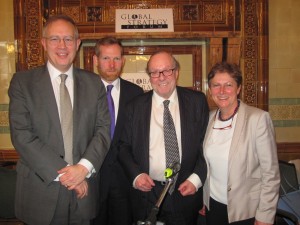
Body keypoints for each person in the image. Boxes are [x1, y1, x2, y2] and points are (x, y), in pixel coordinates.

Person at [8, 15, 110, 225]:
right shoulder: (23, 83)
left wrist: (82, 169)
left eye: (68, 39)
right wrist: (68, 176)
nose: (62, 46)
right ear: (44, 43)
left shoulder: (94, 84)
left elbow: (103, 130)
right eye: (55, 39)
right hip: (40, 190)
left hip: (85, 191)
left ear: (78, 43)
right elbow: (22, 135)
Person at [118, 51, 209, 225]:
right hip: (147, 193)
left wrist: (196, 179)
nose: (161, 77)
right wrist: (136, 175)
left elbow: (206, 145)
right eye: (154, 72)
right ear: (150, 76)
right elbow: (123, 146)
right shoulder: (134, 107)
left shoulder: (197, 102)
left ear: (176, 72)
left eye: (167, 70)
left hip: (185, 190)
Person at [202, 62, 280, 225]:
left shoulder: (257, 119)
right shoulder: (208, 119)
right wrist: (204, 198)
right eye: (216, 85)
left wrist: (265, 215)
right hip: (213, 206)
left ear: (238, 89)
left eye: (228, 85)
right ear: (210, 90)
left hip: (246, 211)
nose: (222, 91)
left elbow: (270, 173)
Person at [92, 37, 143, 225]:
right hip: (92, 180)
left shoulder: (136, 94)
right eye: (106, 58)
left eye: (116, 58)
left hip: (125, 181)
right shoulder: (84, 92)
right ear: (96, 60)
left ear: (123, 61)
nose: (112, 64)